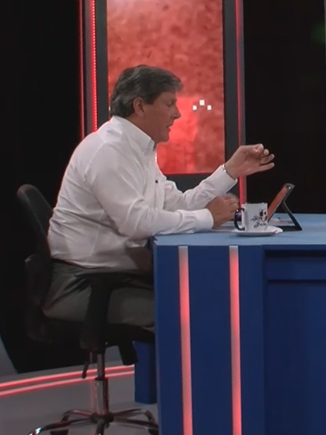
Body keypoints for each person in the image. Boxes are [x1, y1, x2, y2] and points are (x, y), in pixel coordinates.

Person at [46, 65, 276, 332]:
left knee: (206, 297)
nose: (177, 114)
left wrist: (230, 171)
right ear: (140, 106)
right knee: (195, 313)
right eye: (169, 104)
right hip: (82, 284)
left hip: (111, 276)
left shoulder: (137, 149)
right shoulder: (109, 150)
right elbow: (136, 223)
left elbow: (178, 203)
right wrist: (207, 217)